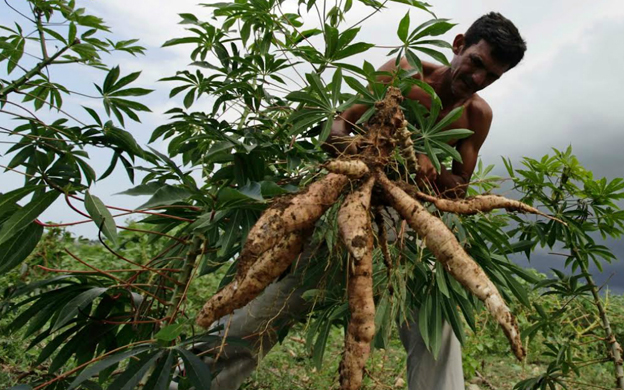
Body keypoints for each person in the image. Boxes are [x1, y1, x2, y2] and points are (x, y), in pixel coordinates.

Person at [182, 12, 526, 390]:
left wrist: (425, 166)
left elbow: (458, 188)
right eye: (477, 63)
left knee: (437, 325)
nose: (478, 80)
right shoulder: (403, 71)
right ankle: (190, 378)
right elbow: (335, 131)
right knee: (263, 309)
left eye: (492, 76)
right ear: (458, 45)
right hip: (343, 208)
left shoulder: (477, 114)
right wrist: (394, 149)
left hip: (409, 227)